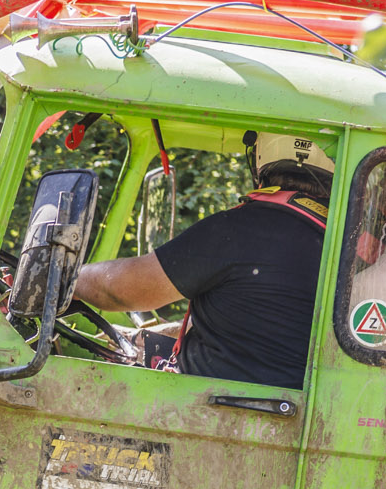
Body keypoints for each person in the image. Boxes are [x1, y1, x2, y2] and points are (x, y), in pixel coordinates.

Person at [70, 133, 333, 391]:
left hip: (211, 406)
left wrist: (69, 276)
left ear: (259, 160)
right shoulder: (340, 245)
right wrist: (141, 336)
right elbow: (252, 328)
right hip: (284, 406)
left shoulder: (240, 229)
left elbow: (119, 290)